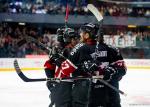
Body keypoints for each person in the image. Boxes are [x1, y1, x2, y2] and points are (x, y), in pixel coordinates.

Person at [68, 23, 127, 107]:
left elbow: (122, 69)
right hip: (87, 95)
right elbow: (68, 71)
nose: (80, 35)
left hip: (106, 96)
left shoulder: (110, 49)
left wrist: (110, 71)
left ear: (87, 35)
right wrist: (83, 68)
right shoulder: (79, 49)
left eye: (82, 32)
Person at [44, 27, 79, 107]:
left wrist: (56, 58)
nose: (75, 40)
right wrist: (50, 79)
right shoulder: (59, 49)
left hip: (70, 84)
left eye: (75, 38)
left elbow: (70, 68)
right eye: (72, 38)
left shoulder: (72, 49)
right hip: (62, 84)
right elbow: (49, 65)